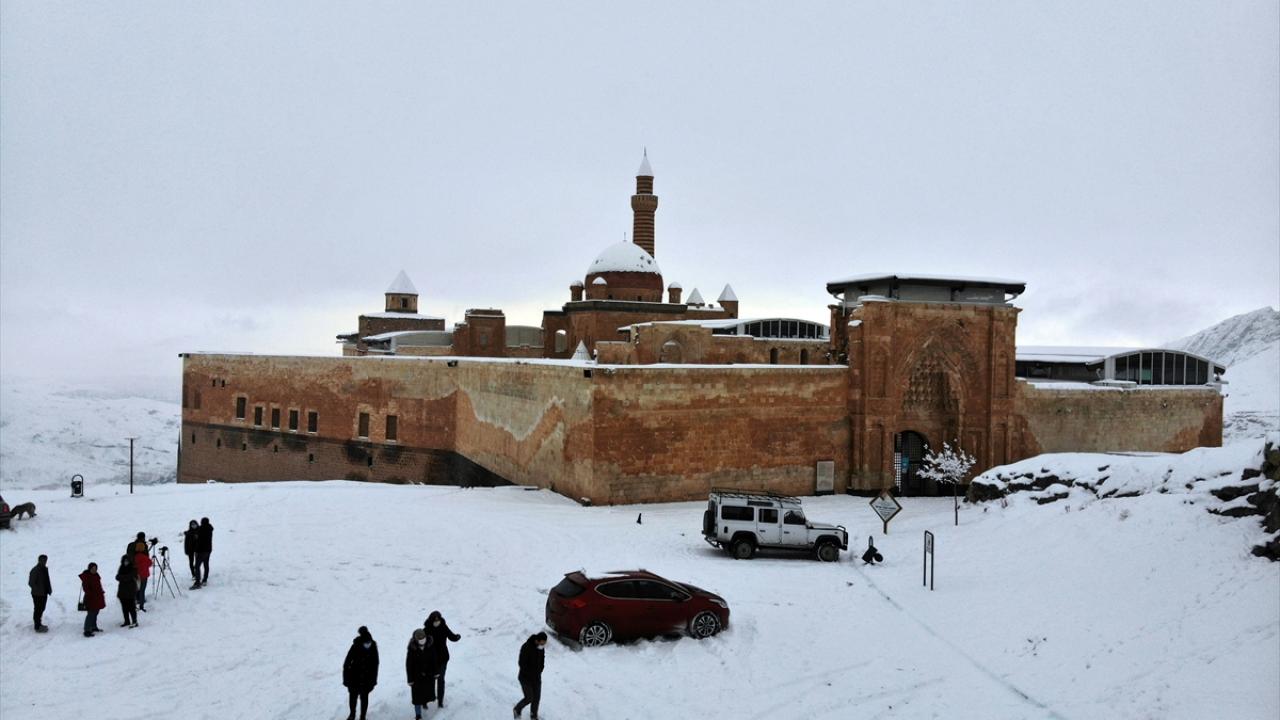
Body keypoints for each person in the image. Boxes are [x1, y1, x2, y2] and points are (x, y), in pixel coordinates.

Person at [423, 611, 462, 707]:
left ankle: (440, 701)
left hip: (443, 658)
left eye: (438, 620)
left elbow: (451, 636)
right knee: (429, 681)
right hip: (430, 661)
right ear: (431, 620)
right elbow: (421, 642)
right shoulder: (426, 630)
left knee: (440, 680)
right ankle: (425, 701)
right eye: (435, 620)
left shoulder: (444, 627)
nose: (437, 622)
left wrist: (456, 637)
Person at [342, 626, 379, 720]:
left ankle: (363, 716)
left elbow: (375, 664)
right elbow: (347, 663)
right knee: (353, 698)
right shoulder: (355, 646)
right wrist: (346, 679)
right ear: (362, 642)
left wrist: (373, 681)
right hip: (354, 677)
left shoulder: (373, 646)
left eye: (369, 643)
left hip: (367, 678)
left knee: (364, 698)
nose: (368, 645)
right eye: (366, 643)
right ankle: (352, 714)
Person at [405, 628, 438, 719]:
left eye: (423, 638)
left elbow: (434, 660)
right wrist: (410, 679)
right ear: (416, 639)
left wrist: (436, 672)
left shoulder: (430, 646)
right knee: (417, 697)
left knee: (427, 692)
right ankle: (418, 715)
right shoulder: (412, 649)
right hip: (416, 677)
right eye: (420, 639)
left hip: (429, 675)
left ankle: (425, 702)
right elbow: (409, 665)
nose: (422, 640)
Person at [513, 632, 546, 720]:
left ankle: (533, 715)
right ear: (536, 640)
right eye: (542, 643)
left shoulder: (541, 648)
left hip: (537, 677)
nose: (542, 645)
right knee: (529, 698)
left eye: (544, 643)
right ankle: (517, 709)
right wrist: (531, 674)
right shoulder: (526, 647)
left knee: (537, 698)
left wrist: (540, 670)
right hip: (525, 678)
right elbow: (521, 663)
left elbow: (542, 660)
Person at [78, 562, 105, 637]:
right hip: (90, 599)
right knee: (90, 614)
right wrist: (93, 594)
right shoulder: (86, 577)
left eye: (95, 568)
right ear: (89, 569)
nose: (94, 570)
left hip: (97, 598)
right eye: (93, 569)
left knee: (95, 613)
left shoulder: (96, 575)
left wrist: (100, 592)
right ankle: (87, 630)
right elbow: (86, 589)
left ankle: (93, 627)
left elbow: (98, 586)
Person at [28, 555, 52, 633]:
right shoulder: (35, 570)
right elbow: (31, 583)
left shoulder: (44, 569)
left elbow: (46, 580)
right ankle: (37, 626)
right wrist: (38, 590)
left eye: (45, 560)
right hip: (37, 594)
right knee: (38, 609)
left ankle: (39, 623)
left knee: (41, 608)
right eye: (43, 560)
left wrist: (48, 589)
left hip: (44, 593)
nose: (44, 562)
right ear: (39, 560)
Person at [115, 555, 139, 628]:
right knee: (124, 608)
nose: (126, 562)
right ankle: (127, 621)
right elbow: (117, 577)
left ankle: (134, 621)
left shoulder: (133, 568)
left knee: (131, 607)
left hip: (130, 591)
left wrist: (123, 578)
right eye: (125, 561)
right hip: (122, 591)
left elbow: (130, 577)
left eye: (127, 561)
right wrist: (124, 578)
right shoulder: (121, 567)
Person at [192, 517, 213, 589]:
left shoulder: (201, 529)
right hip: (208, 550)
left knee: (197, 566)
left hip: (201, 551)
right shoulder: (210, 528)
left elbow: (199, 541)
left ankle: (197, 583)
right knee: (206, 564)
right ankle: (204, 580)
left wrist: (196, 551)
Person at [132, 537, 152, 612]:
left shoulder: (135, 557)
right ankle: (141, 605)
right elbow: (150, 563)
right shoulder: (145, 557)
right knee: (142, 590)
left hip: (137, 576)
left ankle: (134, 605)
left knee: (136, 590)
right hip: (144, 576)